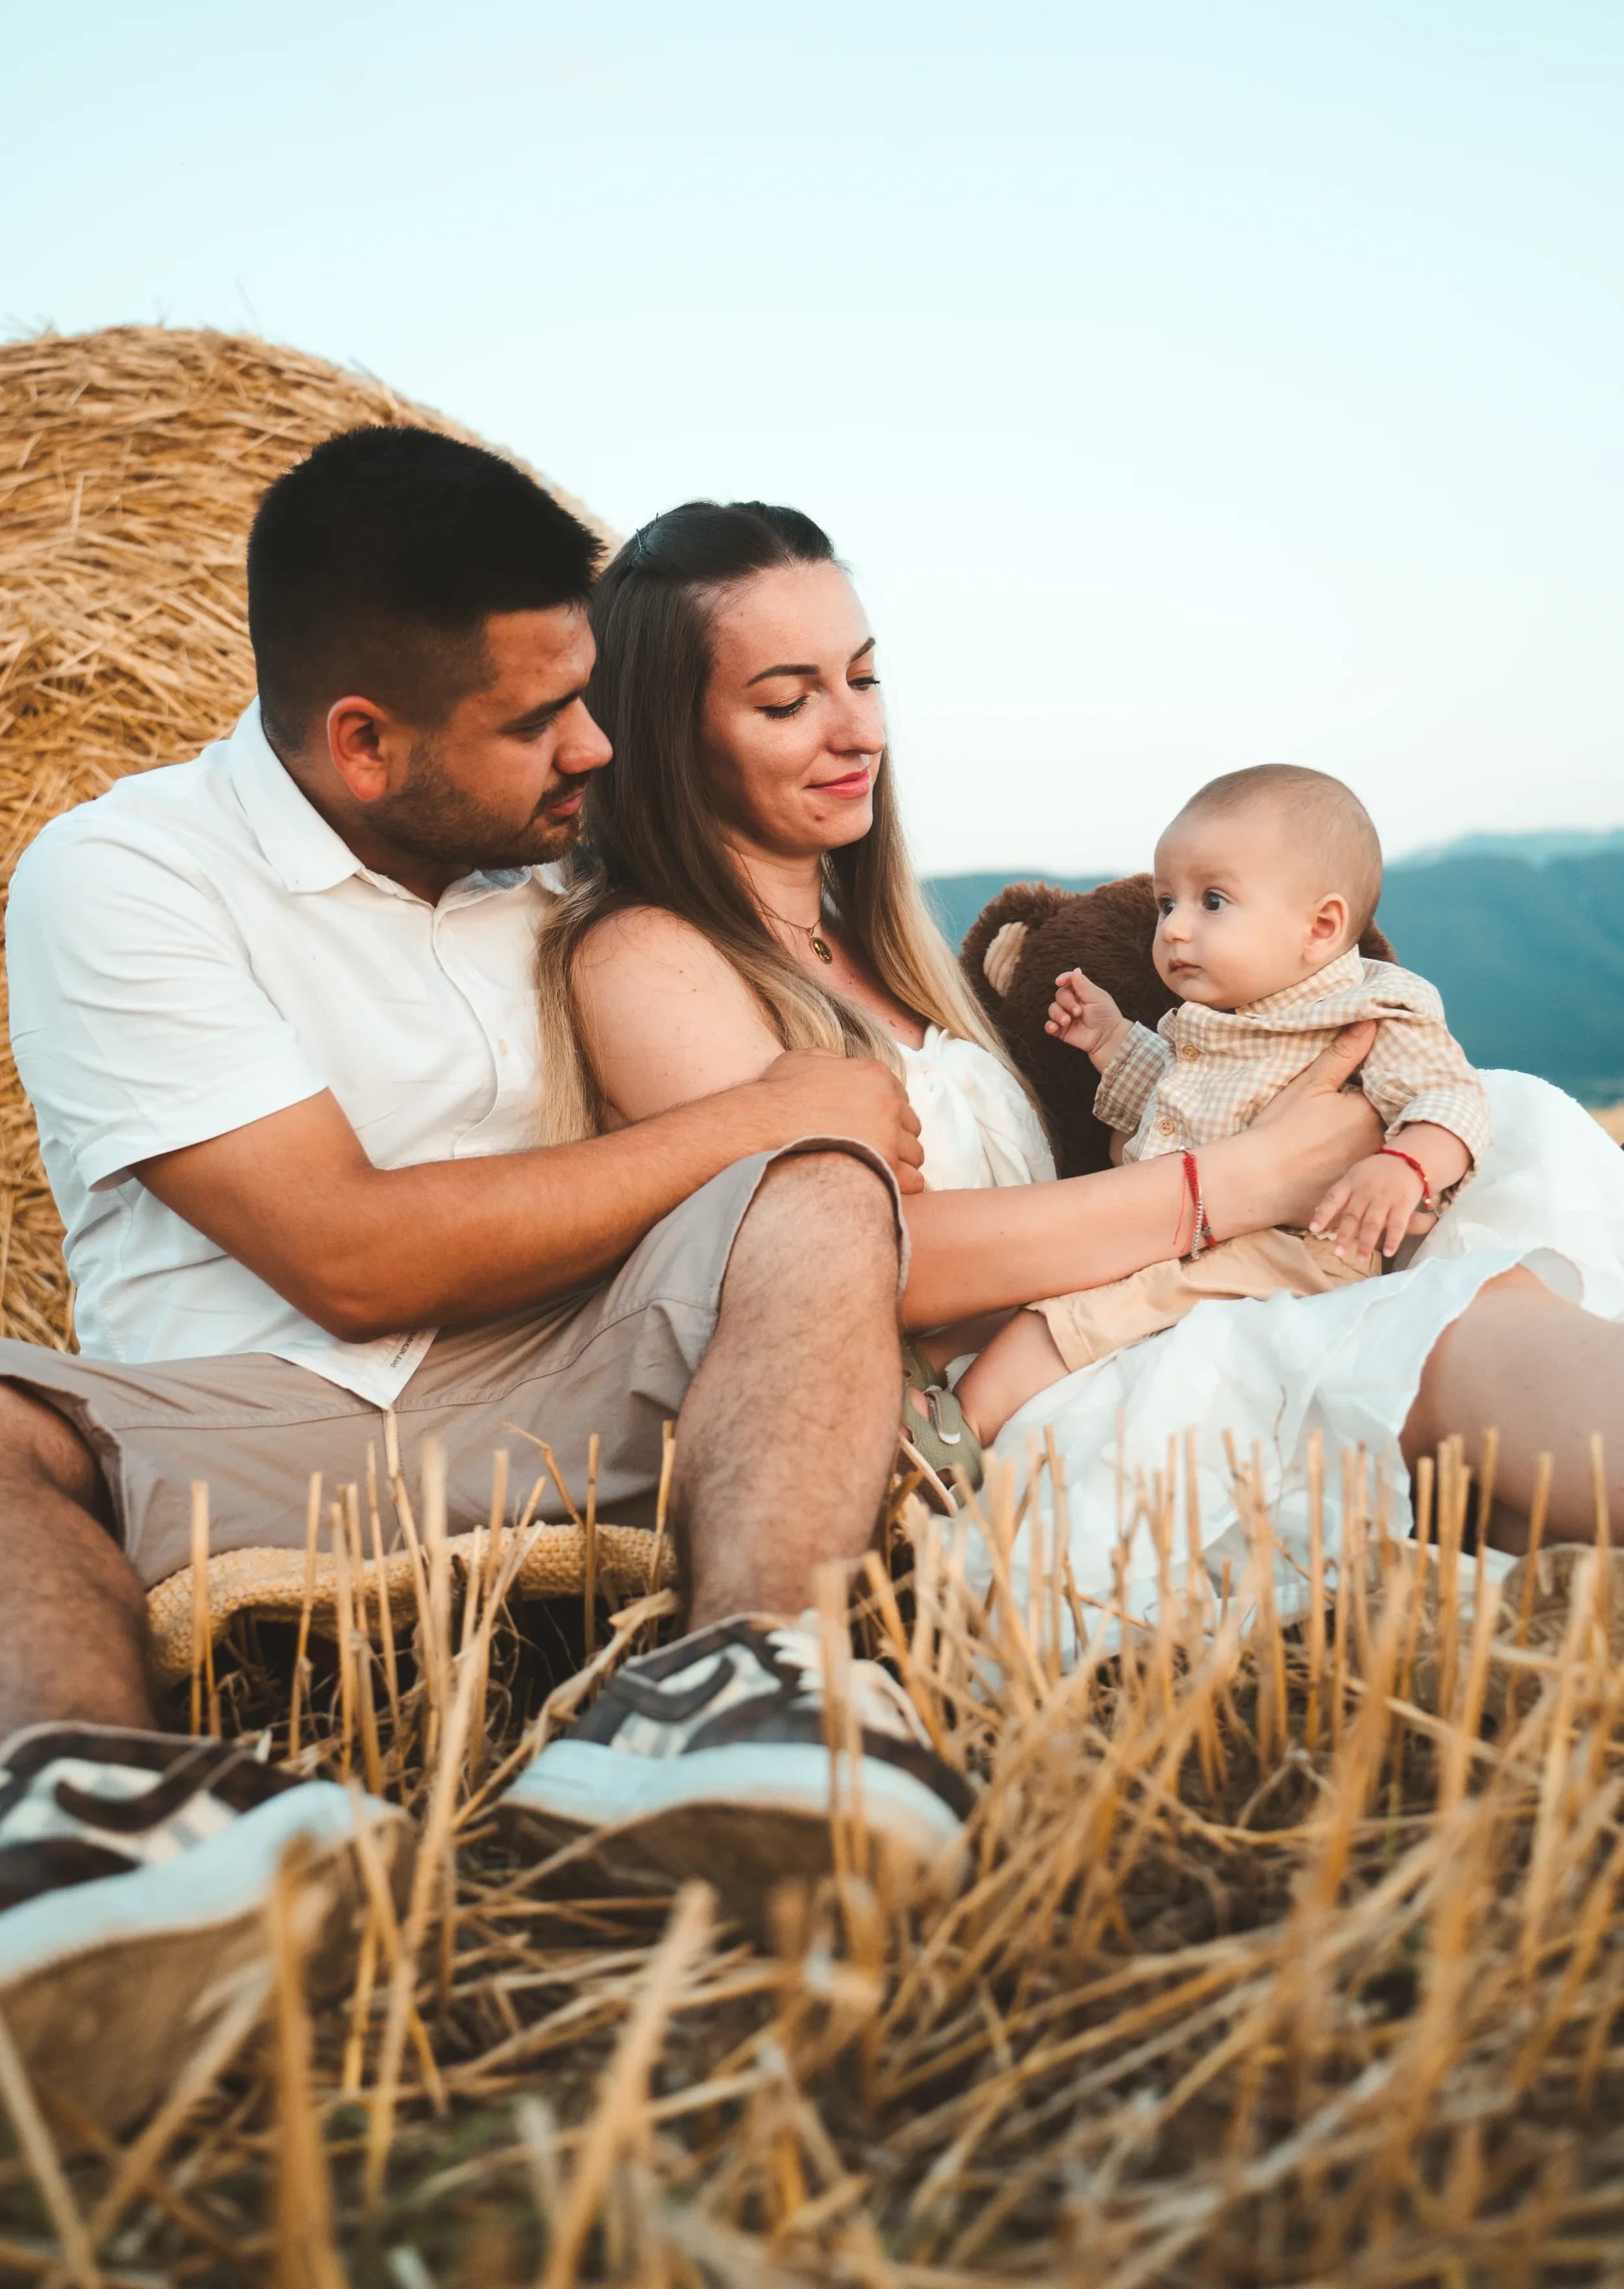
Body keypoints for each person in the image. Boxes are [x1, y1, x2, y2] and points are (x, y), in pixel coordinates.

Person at [0, 429, 945, 2124]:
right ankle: (102, 1813)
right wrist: (758, 1109)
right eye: (536, 720)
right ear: (364, 743)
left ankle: (739, 1684)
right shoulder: (120, 871)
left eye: (587, 693)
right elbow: (346, 1254)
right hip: (245, 1428)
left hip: (562, 1389)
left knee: (813, 1188)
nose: (593, 744)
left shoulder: (563, 866)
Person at [534, 494, 1624, 1640]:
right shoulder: (650, 954)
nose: (855, 730)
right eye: (787, 699)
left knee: (1516, 1150)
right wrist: (1250, 1177)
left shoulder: (888, 950)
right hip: (1021, 1401)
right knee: (1461, 1328)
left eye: (861, 677)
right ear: (666, 732)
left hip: (1147, 1311)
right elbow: (837, 1267)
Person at [950, 761, 1491, 1432]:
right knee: (1046, 1296)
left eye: (1212, 901)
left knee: (1066, 1317)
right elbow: (1181, 1110)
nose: (1175, 928)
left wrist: (1405, 1163)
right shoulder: (1215, 1024)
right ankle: (952, 1390)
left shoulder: (1371, 1008)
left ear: (1320, 927)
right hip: (1201, 1229)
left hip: (1292, 1250)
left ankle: (956, 1427)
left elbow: (1450, 1097)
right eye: (1165, 903)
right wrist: (1112, 1039)